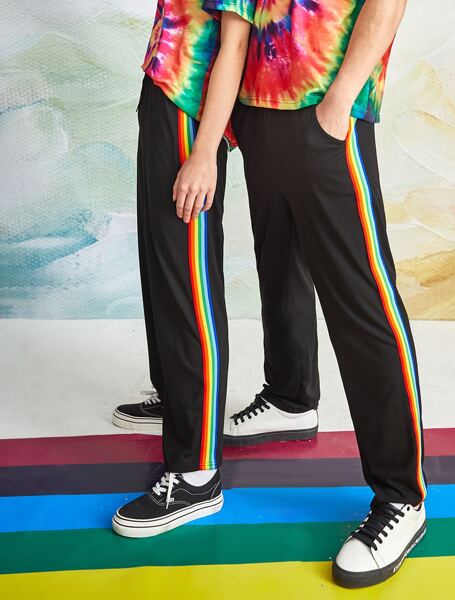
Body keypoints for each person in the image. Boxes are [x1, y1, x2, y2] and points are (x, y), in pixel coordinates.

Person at [230, 0, 427, 589]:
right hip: (261, 104)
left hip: (325, 106)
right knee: (279, 263)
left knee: (362, 299)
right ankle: (290, 398)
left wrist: (341, 99)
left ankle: (401, 496)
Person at [110, 0, 258, 538]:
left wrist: (205, 152)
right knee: (162, 268)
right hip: (164, 90)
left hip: (192, 111)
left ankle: (197, 473)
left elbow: (235, 41)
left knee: (189, 282)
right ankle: (177, 397)